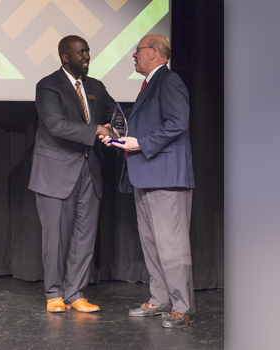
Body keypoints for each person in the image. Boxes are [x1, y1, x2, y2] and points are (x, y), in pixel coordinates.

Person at [99, 34, 196, 328]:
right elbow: (142, 128)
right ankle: (160, 299)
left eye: (137, 50)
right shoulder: (148, 85)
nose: (133, 55)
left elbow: (178, 122)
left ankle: (182, 307)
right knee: (152, 243)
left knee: (172, 245)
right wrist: (117, 138)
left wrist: (140, 144)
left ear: (153, 53)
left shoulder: (169, 81)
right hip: (145, 175)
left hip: (166, 177)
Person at [29, 35, 116, 313]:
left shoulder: (96, 87)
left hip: (90, 170)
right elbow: (56, 125)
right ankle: (54, 293)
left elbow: (115, 115)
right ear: (65, 57)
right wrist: (96, 131)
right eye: (81, 52)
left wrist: (118, 130)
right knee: (55, 237)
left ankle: (75, 293)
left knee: (84, 235)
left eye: (88, 51)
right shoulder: (48, 86)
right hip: (56, 172)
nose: (86, 56)